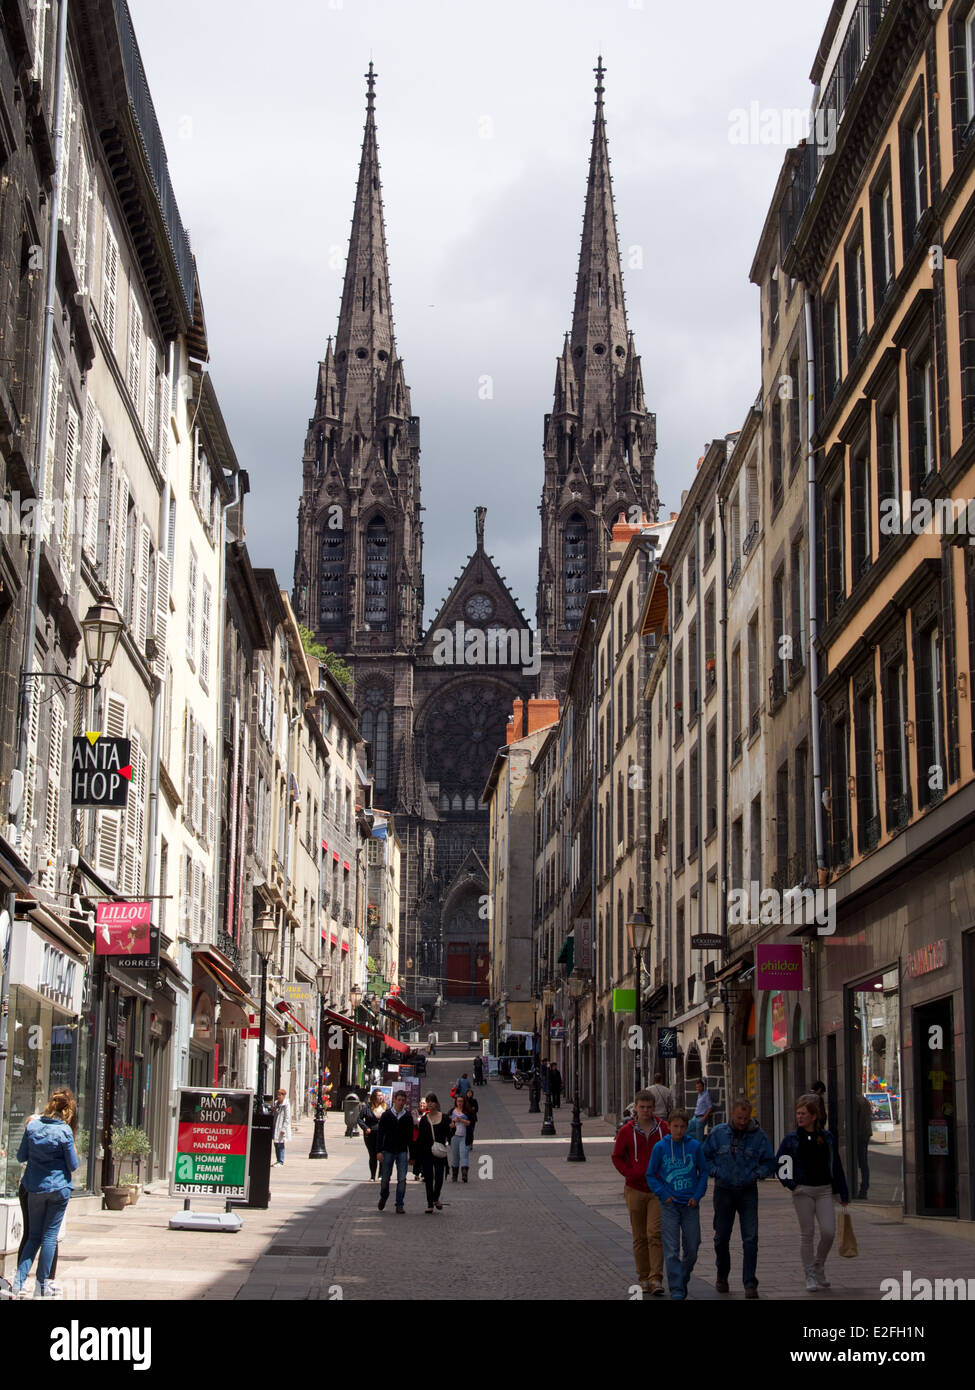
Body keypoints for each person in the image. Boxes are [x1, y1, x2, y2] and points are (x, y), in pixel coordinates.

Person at [701, 1098, 775, 1299]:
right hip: (723, 1190)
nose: (743, 1122)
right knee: (721, 1237)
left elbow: (770, 1162)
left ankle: (750, 1282)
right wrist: (715, 1171)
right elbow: (704, 1157)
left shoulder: (758, 1136)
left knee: (750, 1238)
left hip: (747, 1190)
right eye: (739, 1117)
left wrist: (758, 1173)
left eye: (746, 1118)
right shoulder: (718, 1133)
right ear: (732, 1114)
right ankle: (722, 1275)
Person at [10, 1087, 79, 1298]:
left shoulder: (32, 1126)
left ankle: (17, 1283)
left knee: (33, 1237)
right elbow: (73, 1165)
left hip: (34, 1187)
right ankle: (42, 1286)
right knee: (49, 1237)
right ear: (67, 1110)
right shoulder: (65, 1131)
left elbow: (21, 1156)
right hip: (58, 1189)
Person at [776, 1093, 850, 1292]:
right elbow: (780, 1165)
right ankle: (809, 1273)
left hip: (825, 1190)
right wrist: (792, 1186)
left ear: (814, 1116)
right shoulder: (791, 1139)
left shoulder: (826, 1138)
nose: (799, 1117)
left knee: (828, 1232)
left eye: (803, 1114)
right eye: (798, 1113)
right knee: (807, 1234)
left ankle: (819, 1265)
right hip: (803, 1191)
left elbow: (836, 1166)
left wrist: (843, 1192)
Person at [611, 1089, 670, 1296]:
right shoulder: (627, 1131)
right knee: (639, 1236)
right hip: (634, 1188)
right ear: (635, 1108)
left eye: (649, 1107)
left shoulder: (664, 1129)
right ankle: (643, 1277)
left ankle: (656, 1278)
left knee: (654, 1233)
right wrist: (630, 1173)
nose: (645, 1110)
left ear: (654, 1108)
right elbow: (617, 1156)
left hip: (657, 1189)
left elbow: (671, 1152)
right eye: (642, 1107)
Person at [647, 1108, 708, 1301]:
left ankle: (682, 1278)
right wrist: (663, 1194)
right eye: (675, 1126)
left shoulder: (695, 1147)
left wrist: (697, 1196)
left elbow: (704, 1172)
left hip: (690, 1204)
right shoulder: (660, 1148)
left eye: (683, 1127)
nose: (679, 1130)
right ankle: (677, 1290)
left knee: (692, 1246)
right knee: (672, 1249)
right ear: (668, 1127)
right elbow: (651, 1174)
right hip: (670, 1205)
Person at [377, 1089, 413, 1212]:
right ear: (394, 1100)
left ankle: (399, 1204)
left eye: (403, 1100)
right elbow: (380, 1134)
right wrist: (379, 1151)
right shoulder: (386, 1115)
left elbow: (410, 1137)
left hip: (402, 1150)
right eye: (399, 1100)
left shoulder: (407, 1117)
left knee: (402, 1179)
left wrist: (412, 1155)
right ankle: (384, 1196)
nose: (401, 1102)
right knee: (385, 1178)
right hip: (388, 1150)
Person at [415, 1093, 451, 1212]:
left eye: (432, 1101)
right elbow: (420, 1139)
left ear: (436, 1103)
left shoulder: (444, 1117)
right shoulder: (425, 1120)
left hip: (439, 1151)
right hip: (427, 1152)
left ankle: (436, 1198)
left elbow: (449, 1135)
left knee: (439, 1177)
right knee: (429, 1178)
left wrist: (452, 1128)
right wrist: (416, 1156)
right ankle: (430, 1204)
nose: (430, 1104)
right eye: (428, 1102)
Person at [358, 1089, 385, 1180]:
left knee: (381, 1153)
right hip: (370, 1134)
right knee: (373, 1155)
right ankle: (373, 1175)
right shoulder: (367, 1107)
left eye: (381, 1095)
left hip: (382, 1134)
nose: (381, 1097)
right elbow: (359, 1119)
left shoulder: (386, 1107)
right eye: (378, 1095)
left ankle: (381, 1175)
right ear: (374, 1097)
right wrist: (365, 1128)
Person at [449, 1094, 471, 1182]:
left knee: (464, 1155)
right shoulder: (452, 1111)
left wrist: (461, 1120)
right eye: (458, 1101)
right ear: (456, 1102)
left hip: (464, 1137)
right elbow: (448, 1121)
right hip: (454, 1136)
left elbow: (470, 1122)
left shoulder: (467, 1112)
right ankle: (454, 1175)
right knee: (455, 1156)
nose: (460, 1103)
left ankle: (464, 1174)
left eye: (461, 1101)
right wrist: (452, 1122)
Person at [854, 1091, 872, 1199]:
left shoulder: (855, 1101)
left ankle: (863, 1189)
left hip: (859, 1136)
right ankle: (864, 1188)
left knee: (862, 1163)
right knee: (864, 1164)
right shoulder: (864, 1100)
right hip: (864, 1135)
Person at [272, 1089, 291, 1165]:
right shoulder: (276, 1103)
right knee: (276, 1143)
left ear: (283, 1095)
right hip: (276, 1125)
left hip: (281, 1127)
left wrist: (284, 1128)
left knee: (281, 1144)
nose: (278, 1096)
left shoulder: (286, 1104)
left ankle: (281, 1160)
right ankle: (278, 1159)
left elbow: (287, 1118)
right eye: (278, 1095)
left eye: (280, 1095)